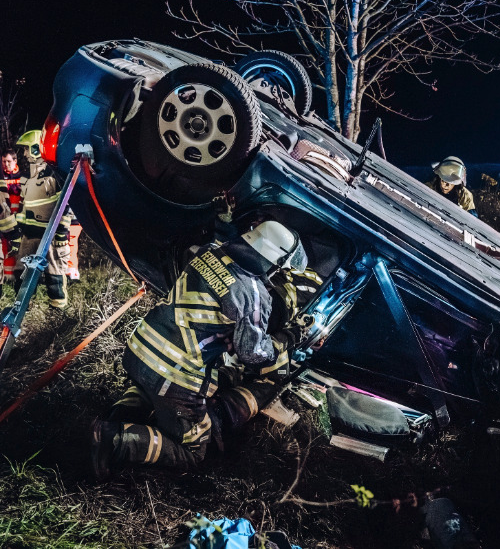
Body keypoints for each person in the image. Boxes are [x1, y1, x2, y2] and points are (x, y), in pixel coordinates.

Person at [90, 219, 314, 480]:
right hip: (174, 376)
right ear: (274, 262)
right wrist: (289, 337)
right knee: (193, 451)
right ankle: (114, 439)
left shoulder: (210, 251)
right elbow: (254, 353)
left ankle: (118, 416)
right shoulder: (253, 295)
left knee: (148, 392)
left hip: (140, 349)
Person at [3, 131, 72, 307]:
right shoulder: (26, 177)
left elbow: (66, 204)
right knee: (22, 272)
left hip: (51, 234)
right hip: (29, 234)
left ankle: (58, 309)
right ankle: (22, 306)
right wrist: (19, 230)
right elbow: (26, 205)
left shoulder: (55, 174)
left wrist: (62, 233)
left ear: (36, 148)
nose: (25, 154)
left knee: (54, 273)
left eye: (27, 149)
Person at [0, 149, 24, 283]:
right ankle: (7, 277)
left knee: (16, 248)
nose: (6, 164)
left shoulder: (22, 177)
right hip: (5, 218)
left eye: (8, 161)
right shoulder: (1, 178)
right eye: (3, 161)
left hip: (17, 218)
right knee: (4, 248)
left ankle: (14, 276)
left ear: (15, 161)